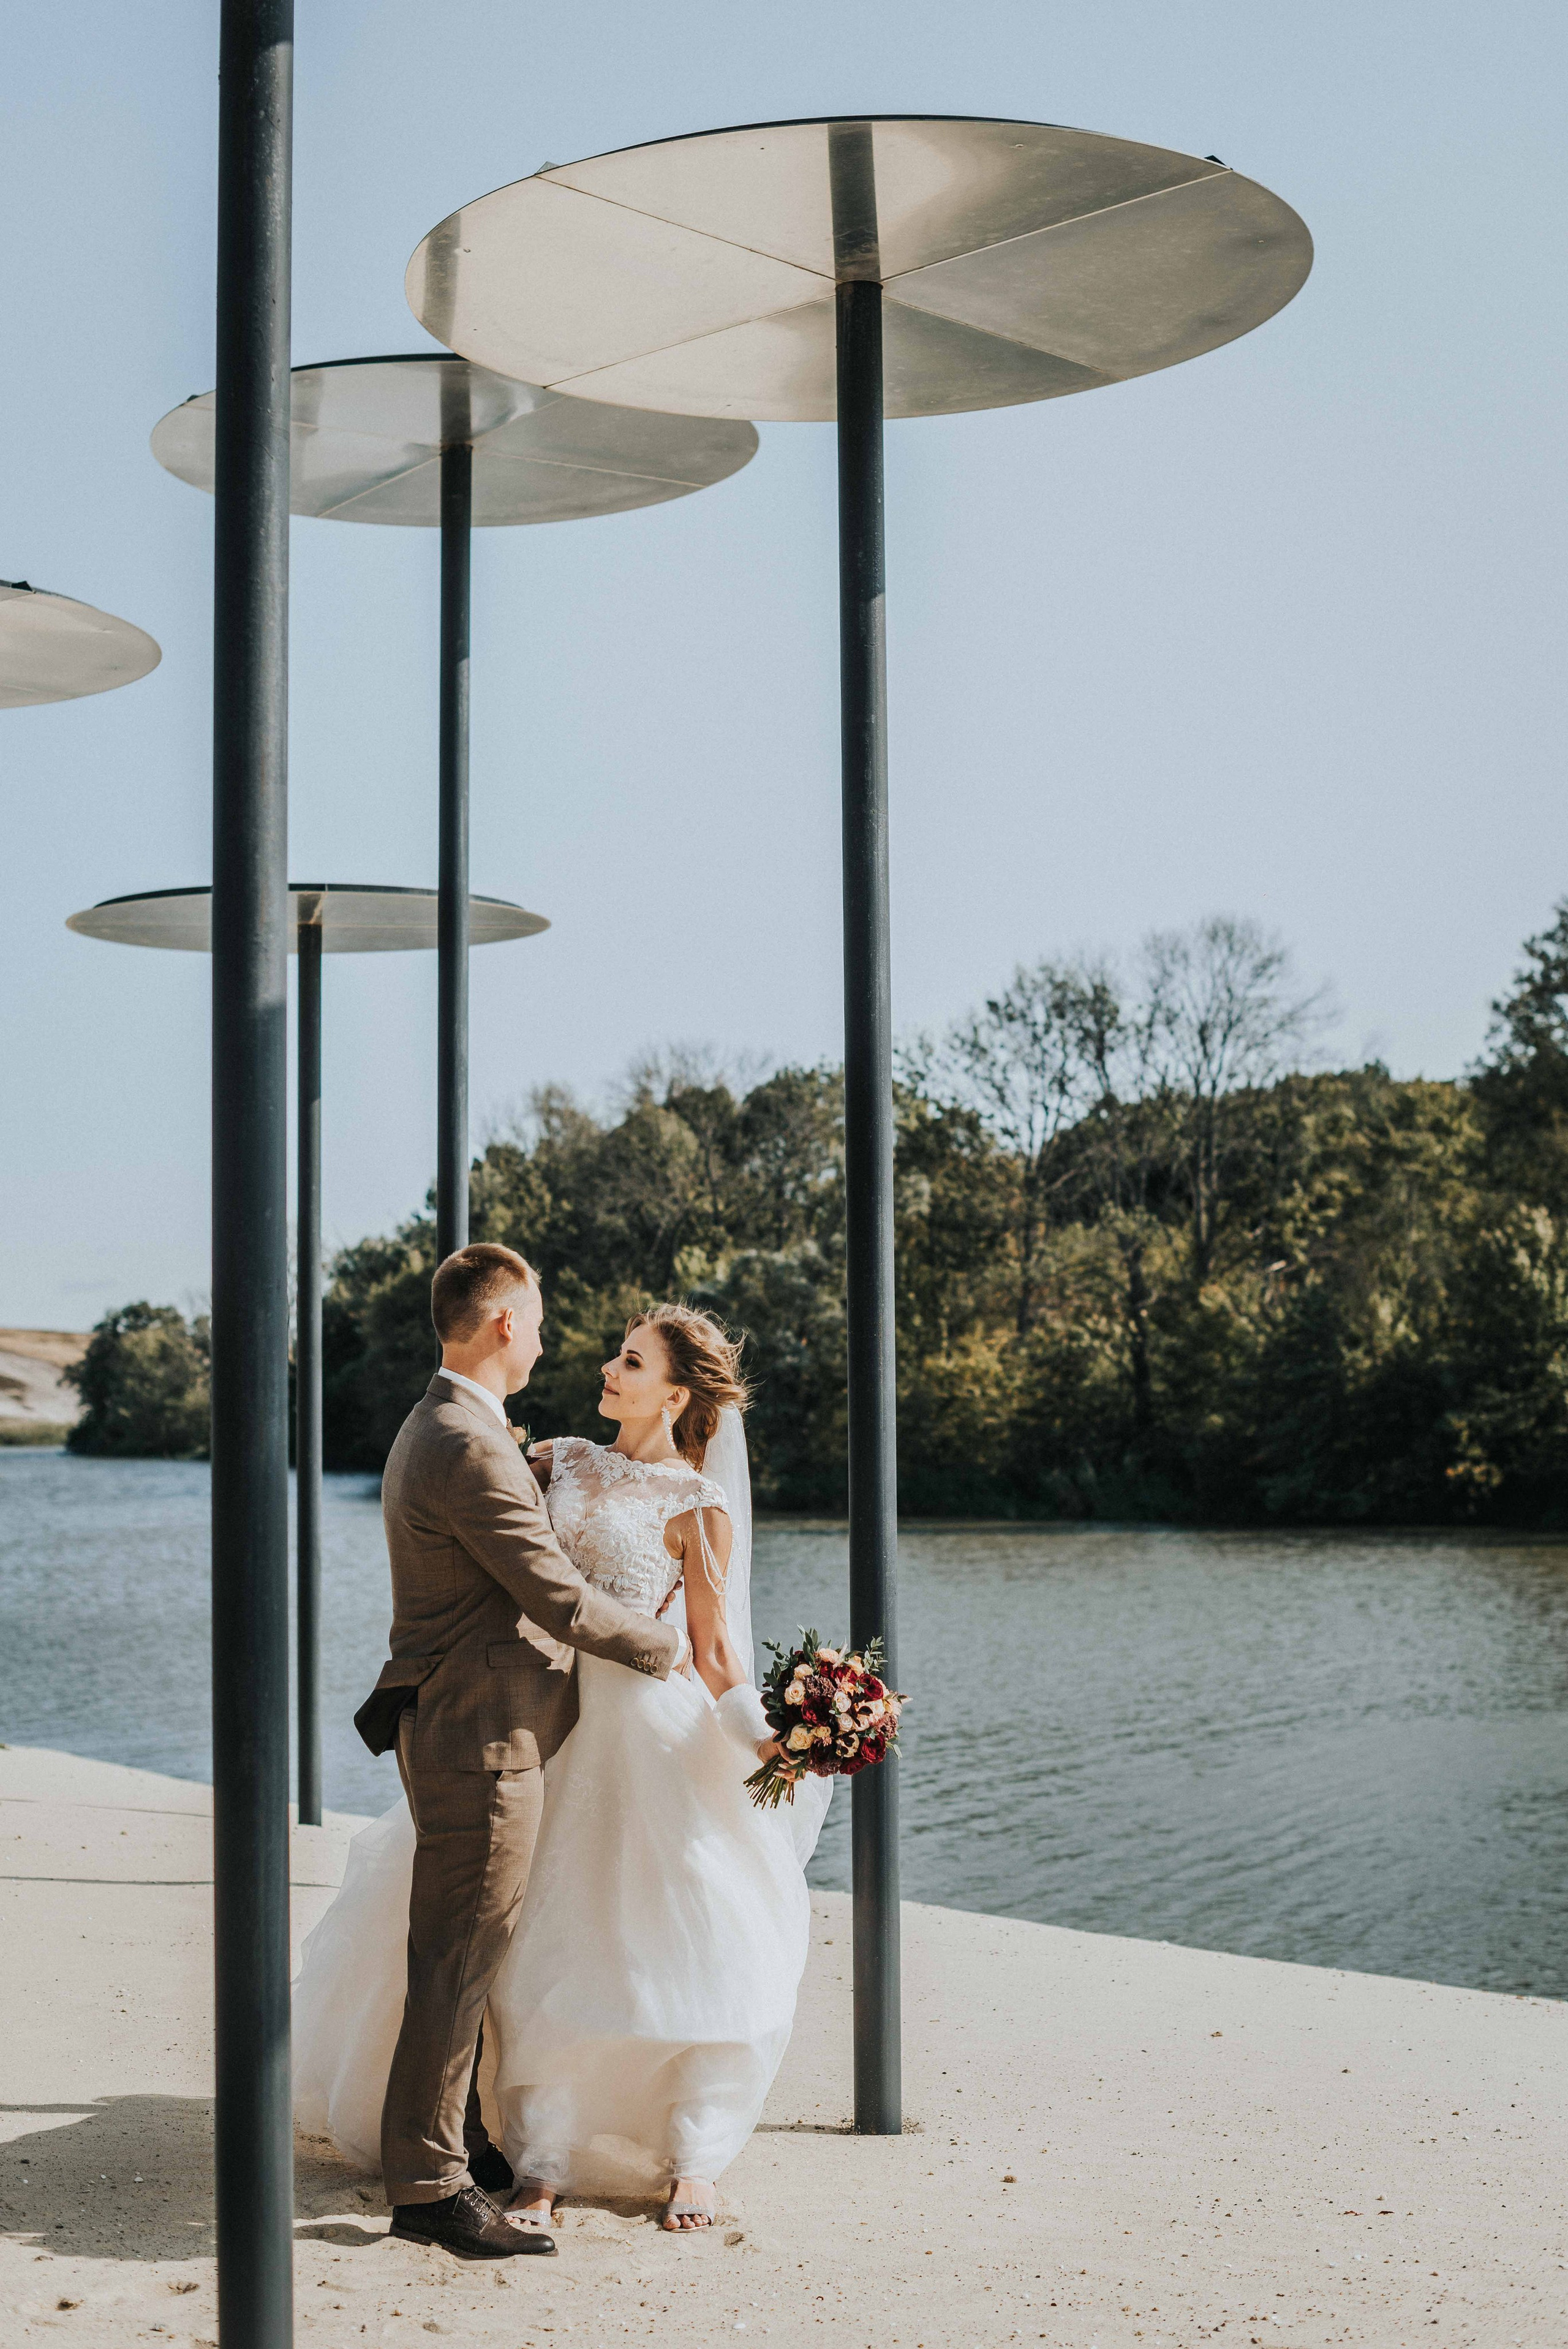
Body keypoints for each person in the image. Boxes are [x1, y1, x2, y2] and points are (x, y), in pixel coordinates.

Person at [293, 1275, 831, 2241]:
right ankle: (539, 2150)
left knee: (667, 1935)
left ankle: (689, 2154)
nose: (607, 1367)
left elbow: (713, 1654)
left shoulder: (698, 1504)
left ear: (675, 1396)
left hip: (647, 1727)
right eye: (615, 1352)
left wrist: (778, 1742)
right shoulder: (553, 1459)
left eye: (632, 1361)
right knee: (536, 1938)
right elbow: (507, 1569)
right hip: (541, 1714)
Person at [332, 1242, 690, 2263]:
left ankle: (461, 2140)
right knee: (458, 1953)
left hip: (465, 1718)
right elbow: (556, 1596)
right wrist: (664, 1647)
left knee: (468, 1946)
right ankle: (430, 2187)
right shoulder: (464, 1442)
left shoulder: (452, 1425)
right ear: (502, 1325)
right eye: (534, 1318)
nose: (542, 1335)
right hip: (478, 1732)